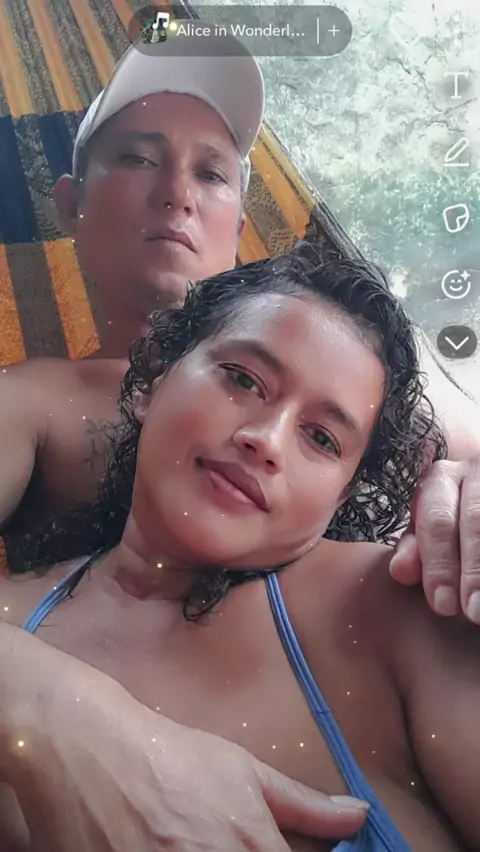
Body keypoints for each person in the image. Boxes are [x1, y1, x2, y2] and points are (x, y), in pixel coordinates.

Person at [1, 249, 477, 852]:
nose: (266, 441)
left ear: (339, 497)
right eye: (243, 379)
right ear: (152, 380)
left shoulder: (394, 605)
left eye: (322, 438)